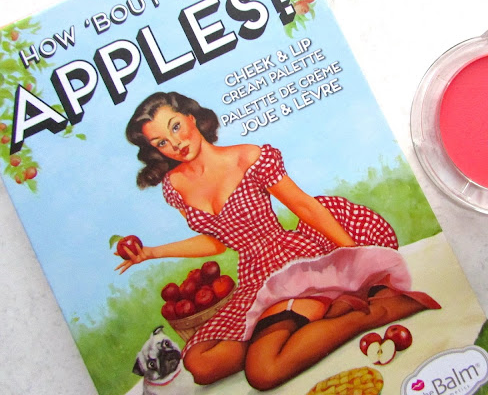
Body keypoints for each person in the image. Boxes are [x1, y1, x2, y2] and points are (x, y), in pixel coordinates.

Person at [118, 91, 440, 390]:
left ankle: (373, 312)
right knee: (200, 364)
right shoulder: (174, 186)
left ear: (191, 117)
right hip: (252, 276)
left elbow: (303, 205)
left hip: (287, 262)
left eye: (176, 127)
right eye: (162, 142)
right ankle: (319, 314)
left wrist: (354, 255)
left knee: (263, 372)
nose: (175, 143)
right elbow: (216, 243)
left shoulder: (248, 157)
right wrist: (151, 253)